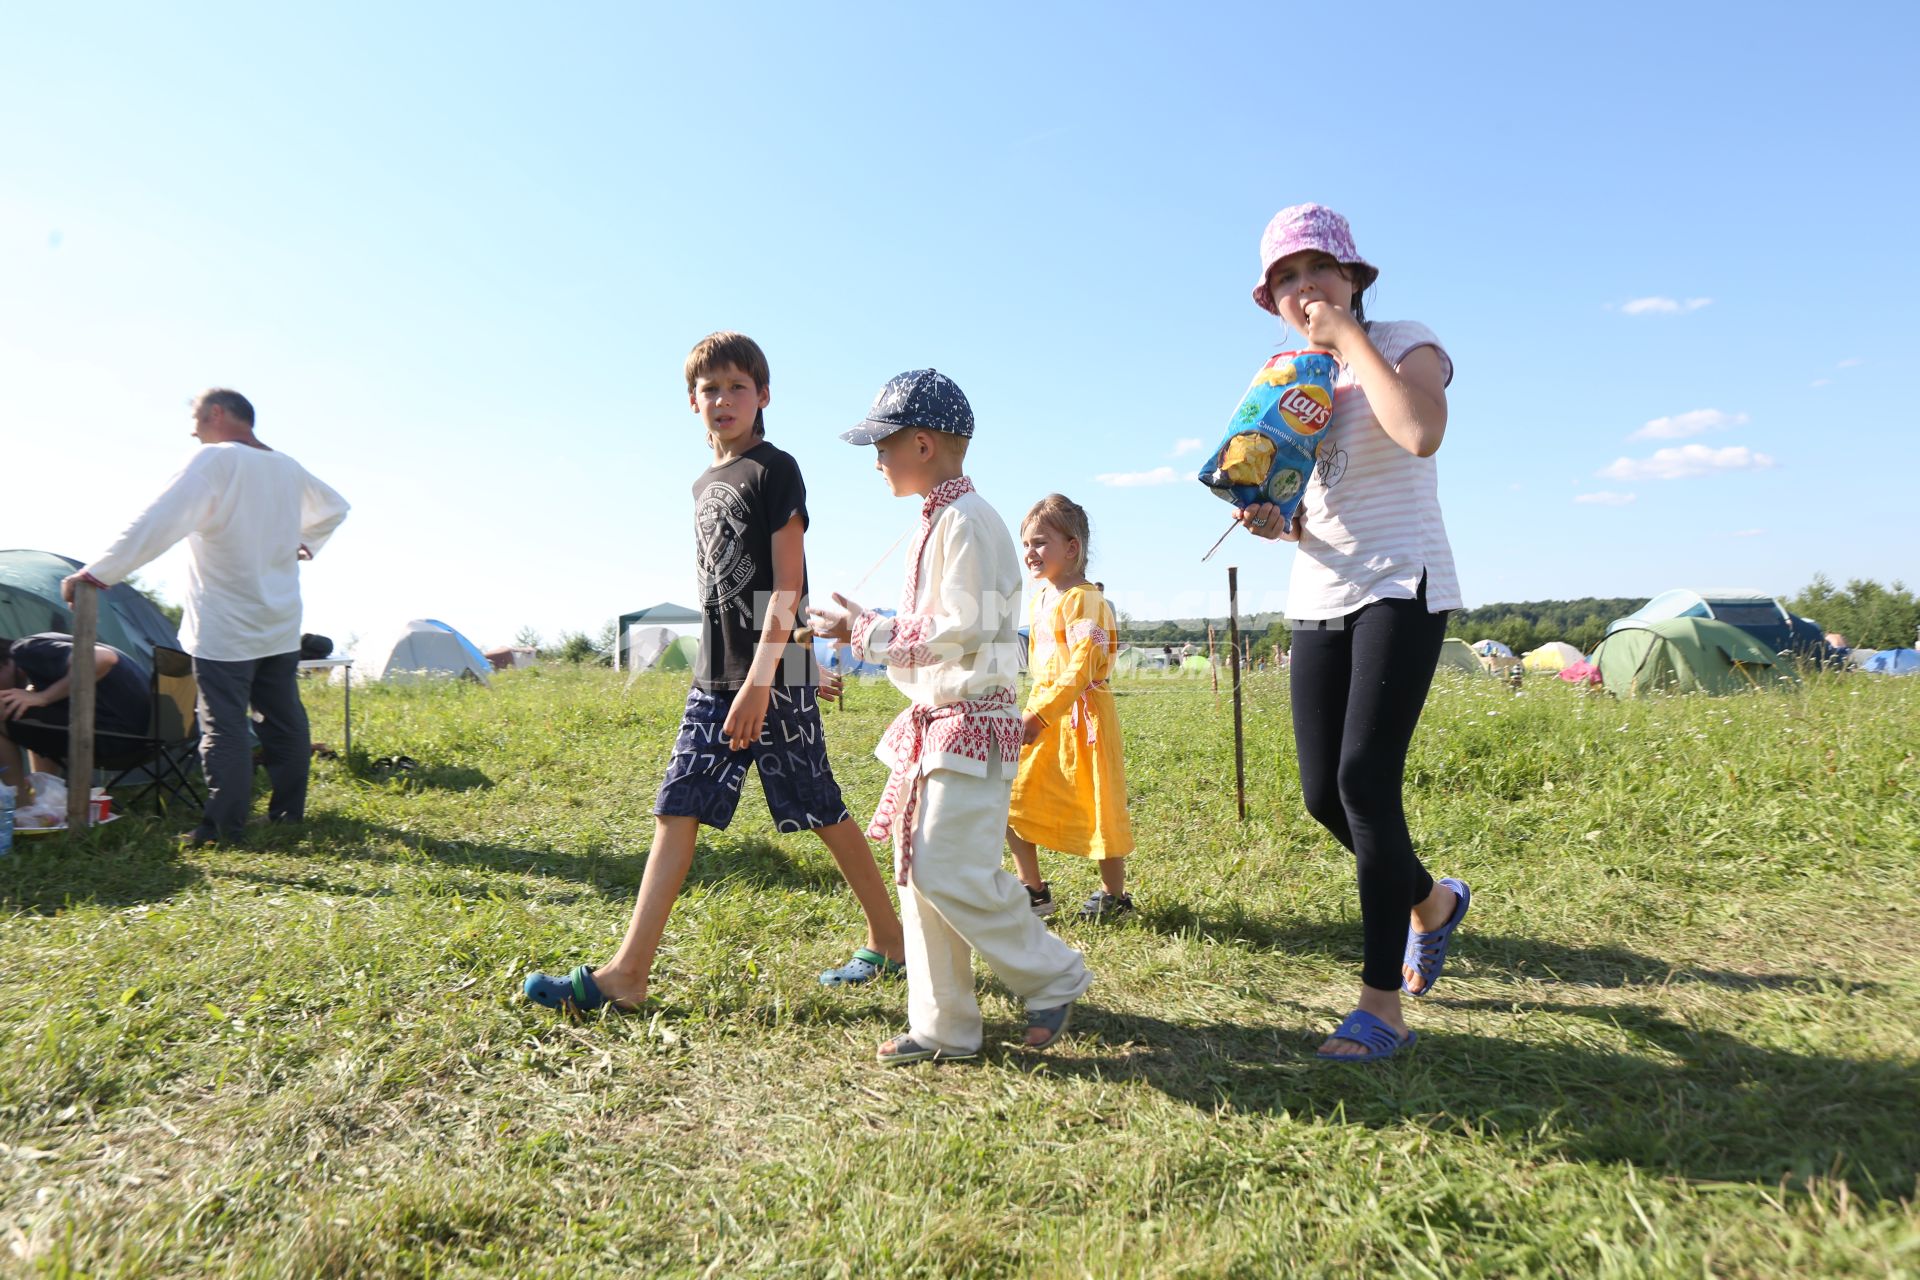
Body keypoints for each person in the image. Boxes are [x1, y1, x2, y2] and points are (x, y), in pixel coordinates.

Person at [522, 332, 907, 1015]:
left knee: (820, 806)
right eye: (710, 389)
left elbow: (788, 586)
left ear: (763, 396)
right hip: (718, 674)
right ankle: (627, 974)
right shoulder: (705, 483)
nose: (723, 400)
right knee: (679, 806)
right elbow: (735, 592)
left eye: (737, 387)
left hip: (765, 679)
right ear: (692, 402)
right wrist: (793, 665)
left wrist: (776, 677)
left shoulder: (774, 469)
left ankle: (890, 938)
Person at [1234, 204, 1471, 1062]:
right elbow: (1310, 502)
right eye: (1286, 281)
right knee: (1322, 795)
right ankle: (1432, 903)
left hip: (1402, 583)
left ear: (1354, 277)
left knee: (1367, 780)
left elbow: (1418, 432)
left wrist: (1347, 340)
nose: (1304, 291)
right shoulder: (1288, 378)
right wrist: (1276, 518)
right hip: (1321, 585)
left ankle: (1381, 1008)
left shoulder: (1407, 341)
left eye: (1317, 272)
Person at [809, 368, 1093, 1065]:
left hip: (971, 719)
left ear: (925, 444)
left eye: (884, 445)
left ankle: (1051, 972)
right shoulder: (940, 519)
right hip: (942, 723)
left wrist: (866, 633)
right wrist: (866, 627)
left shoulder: (966, 520)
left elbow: (958, 627)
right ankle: (944, 1027)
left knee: (947, 870)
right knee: (919, 871)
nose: (876, 460)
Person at [64, 389, 350, 845]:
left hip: (225, 623)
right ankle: (286, 815)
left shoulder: (215, 460)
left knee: (225, 725)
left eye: (195, 418)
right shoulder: (287, 467)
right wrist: (308, 540)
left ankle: (221, 828)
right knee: (285, 719)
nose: (191, 430)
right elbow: (335, 507)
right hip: (278, 619)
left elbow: (157, 520)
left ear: (217, 413)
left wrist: (99, 572)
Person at [1003, 494, 1136, 921]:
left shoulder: (1085, 601)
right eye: (1026, 544)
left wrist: (1041, 715)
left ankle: (1114, 897)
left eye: (1040, 542)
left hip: (1082, 717)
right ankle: (1033, 889)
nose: (1030, 553)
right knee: (1012, 796)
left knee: (1099, 802)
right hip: (1040, 711)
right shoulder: (1041, 597)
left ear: (1072, 547)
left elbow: (1081, 666)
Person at [0, 634, 152, 801]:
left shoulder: (27, 651)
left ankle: (19, 804)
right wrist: (38, 696)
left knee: (7, 711)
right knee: (28, 709)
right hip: (142, 737)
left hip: (117, 736)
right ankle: (44, 793)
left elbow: (103, 658)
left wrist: (43, 697)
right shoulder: (38, 648)